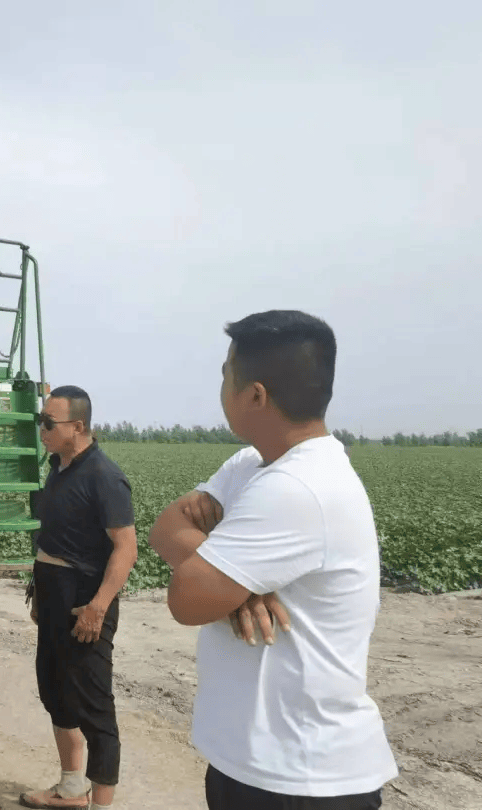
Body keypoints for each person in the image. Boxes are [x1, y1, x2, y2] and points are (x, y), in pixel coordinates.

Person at [148, 310, 398, 810]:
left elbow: (187, 598)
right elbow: (165, 528)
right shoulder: (252, 465)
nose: (221, 386)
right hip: (253, 766)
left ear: (255, 394)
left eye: (226, 374)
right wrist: (240, 584)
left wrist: (221, 578)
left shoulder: (298, 486)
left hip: (303, 779)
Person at [20, 386, 139, 810]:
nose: (42, 429)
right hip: (54, 595)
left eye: (49, 423)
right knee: (55, 690)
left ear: (78, 426)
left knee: (94, 706)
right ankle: (72, 788)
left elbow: (126, 547)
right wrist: (39, 594)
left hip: (85, 602)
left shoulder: (103, 476)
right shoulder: (59, 465)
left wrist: (98, 606)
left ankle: (102, 805)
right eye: (41, 420)